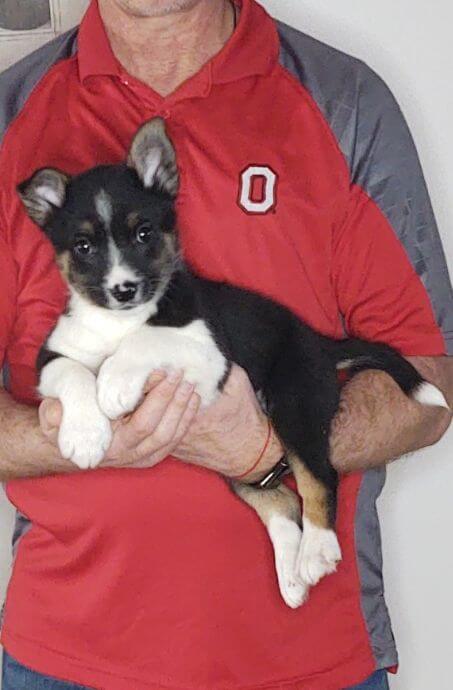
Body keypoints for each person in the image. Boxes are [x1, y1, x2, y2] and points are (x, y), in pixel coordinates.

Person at [0, 1, 452, 688]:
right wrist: (69, 436)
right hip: (65, 659)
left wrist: (266, 449)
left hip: (308, 661)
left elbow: (430, 382)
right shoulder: (12, 115)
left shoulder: (344, 102)